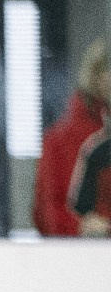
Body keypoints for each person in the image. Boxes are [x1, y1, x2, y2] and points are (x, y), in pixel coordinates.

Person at [37, 39, 109, 238]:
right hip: (79, 258)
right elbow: (47, 216)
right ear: (97, 76)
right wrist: (82, 226)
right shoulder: (58, 142)